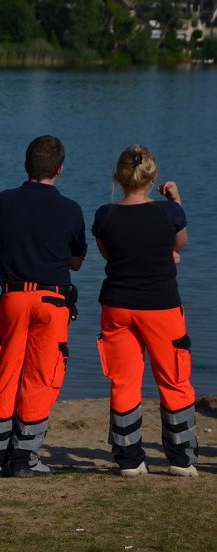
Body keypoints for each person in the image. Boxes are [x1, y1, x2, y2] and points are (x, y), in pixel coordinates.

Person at [0, 135, 87, 478]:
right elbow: (76, 261)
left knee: (7, 373)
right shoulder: (70, 209)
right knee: (42, 376)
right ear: (60, 169)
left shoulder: (4, 201)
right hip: (51, 299)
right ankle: (25, 456)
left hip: (12, 297)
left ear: (26, 165)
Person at [92, 145, 198, 477]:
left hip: (118, 305)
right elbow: (178, 243)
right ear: (151, 177)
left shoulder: (105, 215)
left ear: (119, 177)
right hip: (161, 306)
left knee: (123, 380)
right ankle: (180, 459)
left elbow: (110, 255)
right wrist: (176, 200)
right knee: (174, 379)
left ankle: (129, 459)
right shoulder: (169, 213)